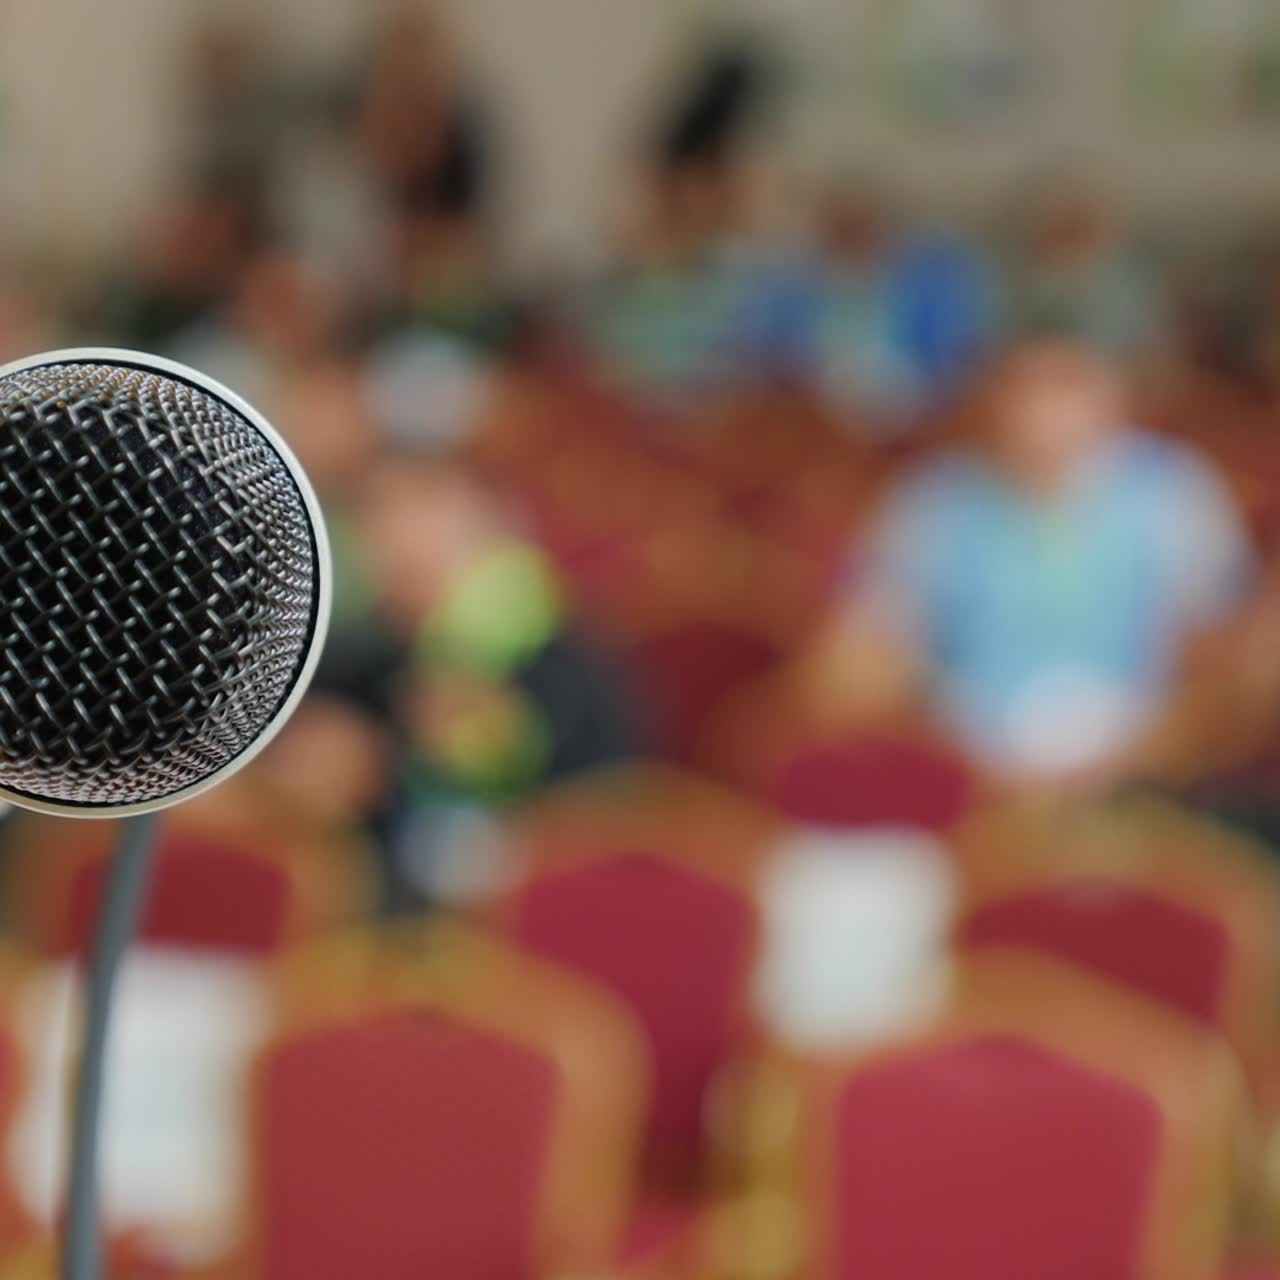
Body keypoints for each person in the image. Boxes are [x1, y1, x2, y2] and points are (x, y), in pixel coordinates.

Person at [807, 340, 1261, 794]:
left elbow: (1226, 646)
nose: (1047, 422)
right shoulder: (934, 501)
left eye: (1068, 391)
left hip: (1147, 765)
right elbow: (863, 650)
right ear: (993, 405)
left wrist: (1156, 746)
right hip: (974, 766)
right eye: (1028, 395)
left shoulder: (1175, 492)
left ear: (1113, 403)